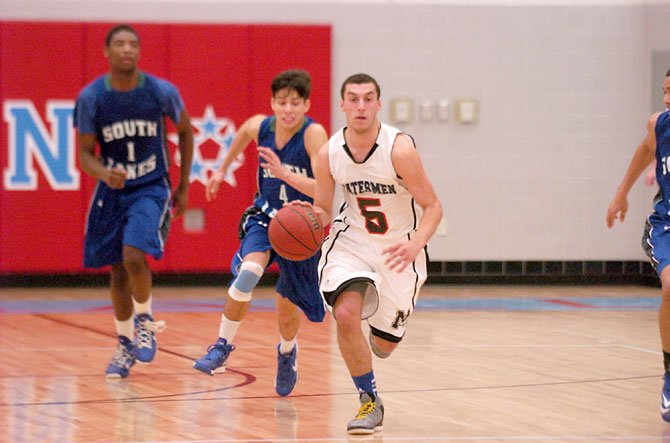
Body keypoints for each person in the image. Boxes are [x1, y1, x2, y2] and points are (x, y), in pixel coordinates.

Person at [297, 73, 443, 434]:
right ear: (342, 104)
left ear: (379, 104)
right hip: (353, 244)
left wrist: (415, 243)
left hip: (399, 251)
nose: (360, 106)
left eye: (367, 99)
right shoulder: (329, 153)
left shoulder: (400, 150)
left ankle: (387, 332)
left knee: (382, 346)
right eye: (353, 99)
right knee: (346, 315)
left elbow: (434, 206)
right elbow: (322, 208)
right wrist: (302, 224)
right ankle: (368, 400)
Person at [193, 69, 328, 397]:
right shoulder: (260, 126)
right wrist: (222, 169)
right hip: (267, 217)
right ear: (272, 103)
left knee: (286, 304)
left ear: (307, 104)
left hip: (301, 224)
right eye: (282, 102)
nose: (288, 110)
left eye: (296, 103)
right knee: (250, 271)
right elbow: (242, 134)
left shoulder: (314, 135)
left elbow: (326, 188)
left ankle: (286, 351)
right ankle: (222, 346)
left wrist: (285, 174)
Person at [74, 24, 194, 379]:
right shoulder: (92, 97)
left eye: (133, 44)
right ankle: (125, 344)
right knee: (116, 268)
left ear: (139, 52)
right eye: (120, 44)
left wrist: (183, 184)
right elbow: (84, 154)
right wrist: (102, 172)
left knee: (134, 256)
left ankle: (145, 320)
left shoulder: (159, 91)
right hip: (112, 189)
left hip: (151, 185)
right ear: (106, 52)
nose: (127, 49)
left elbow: (185, 131)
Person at [606, 69, 670, 422]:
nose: (665, 98)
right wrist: (621, 192)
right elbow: (645, 150)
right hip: (667, 224)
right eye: (664, 90)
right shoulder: (659, 125)